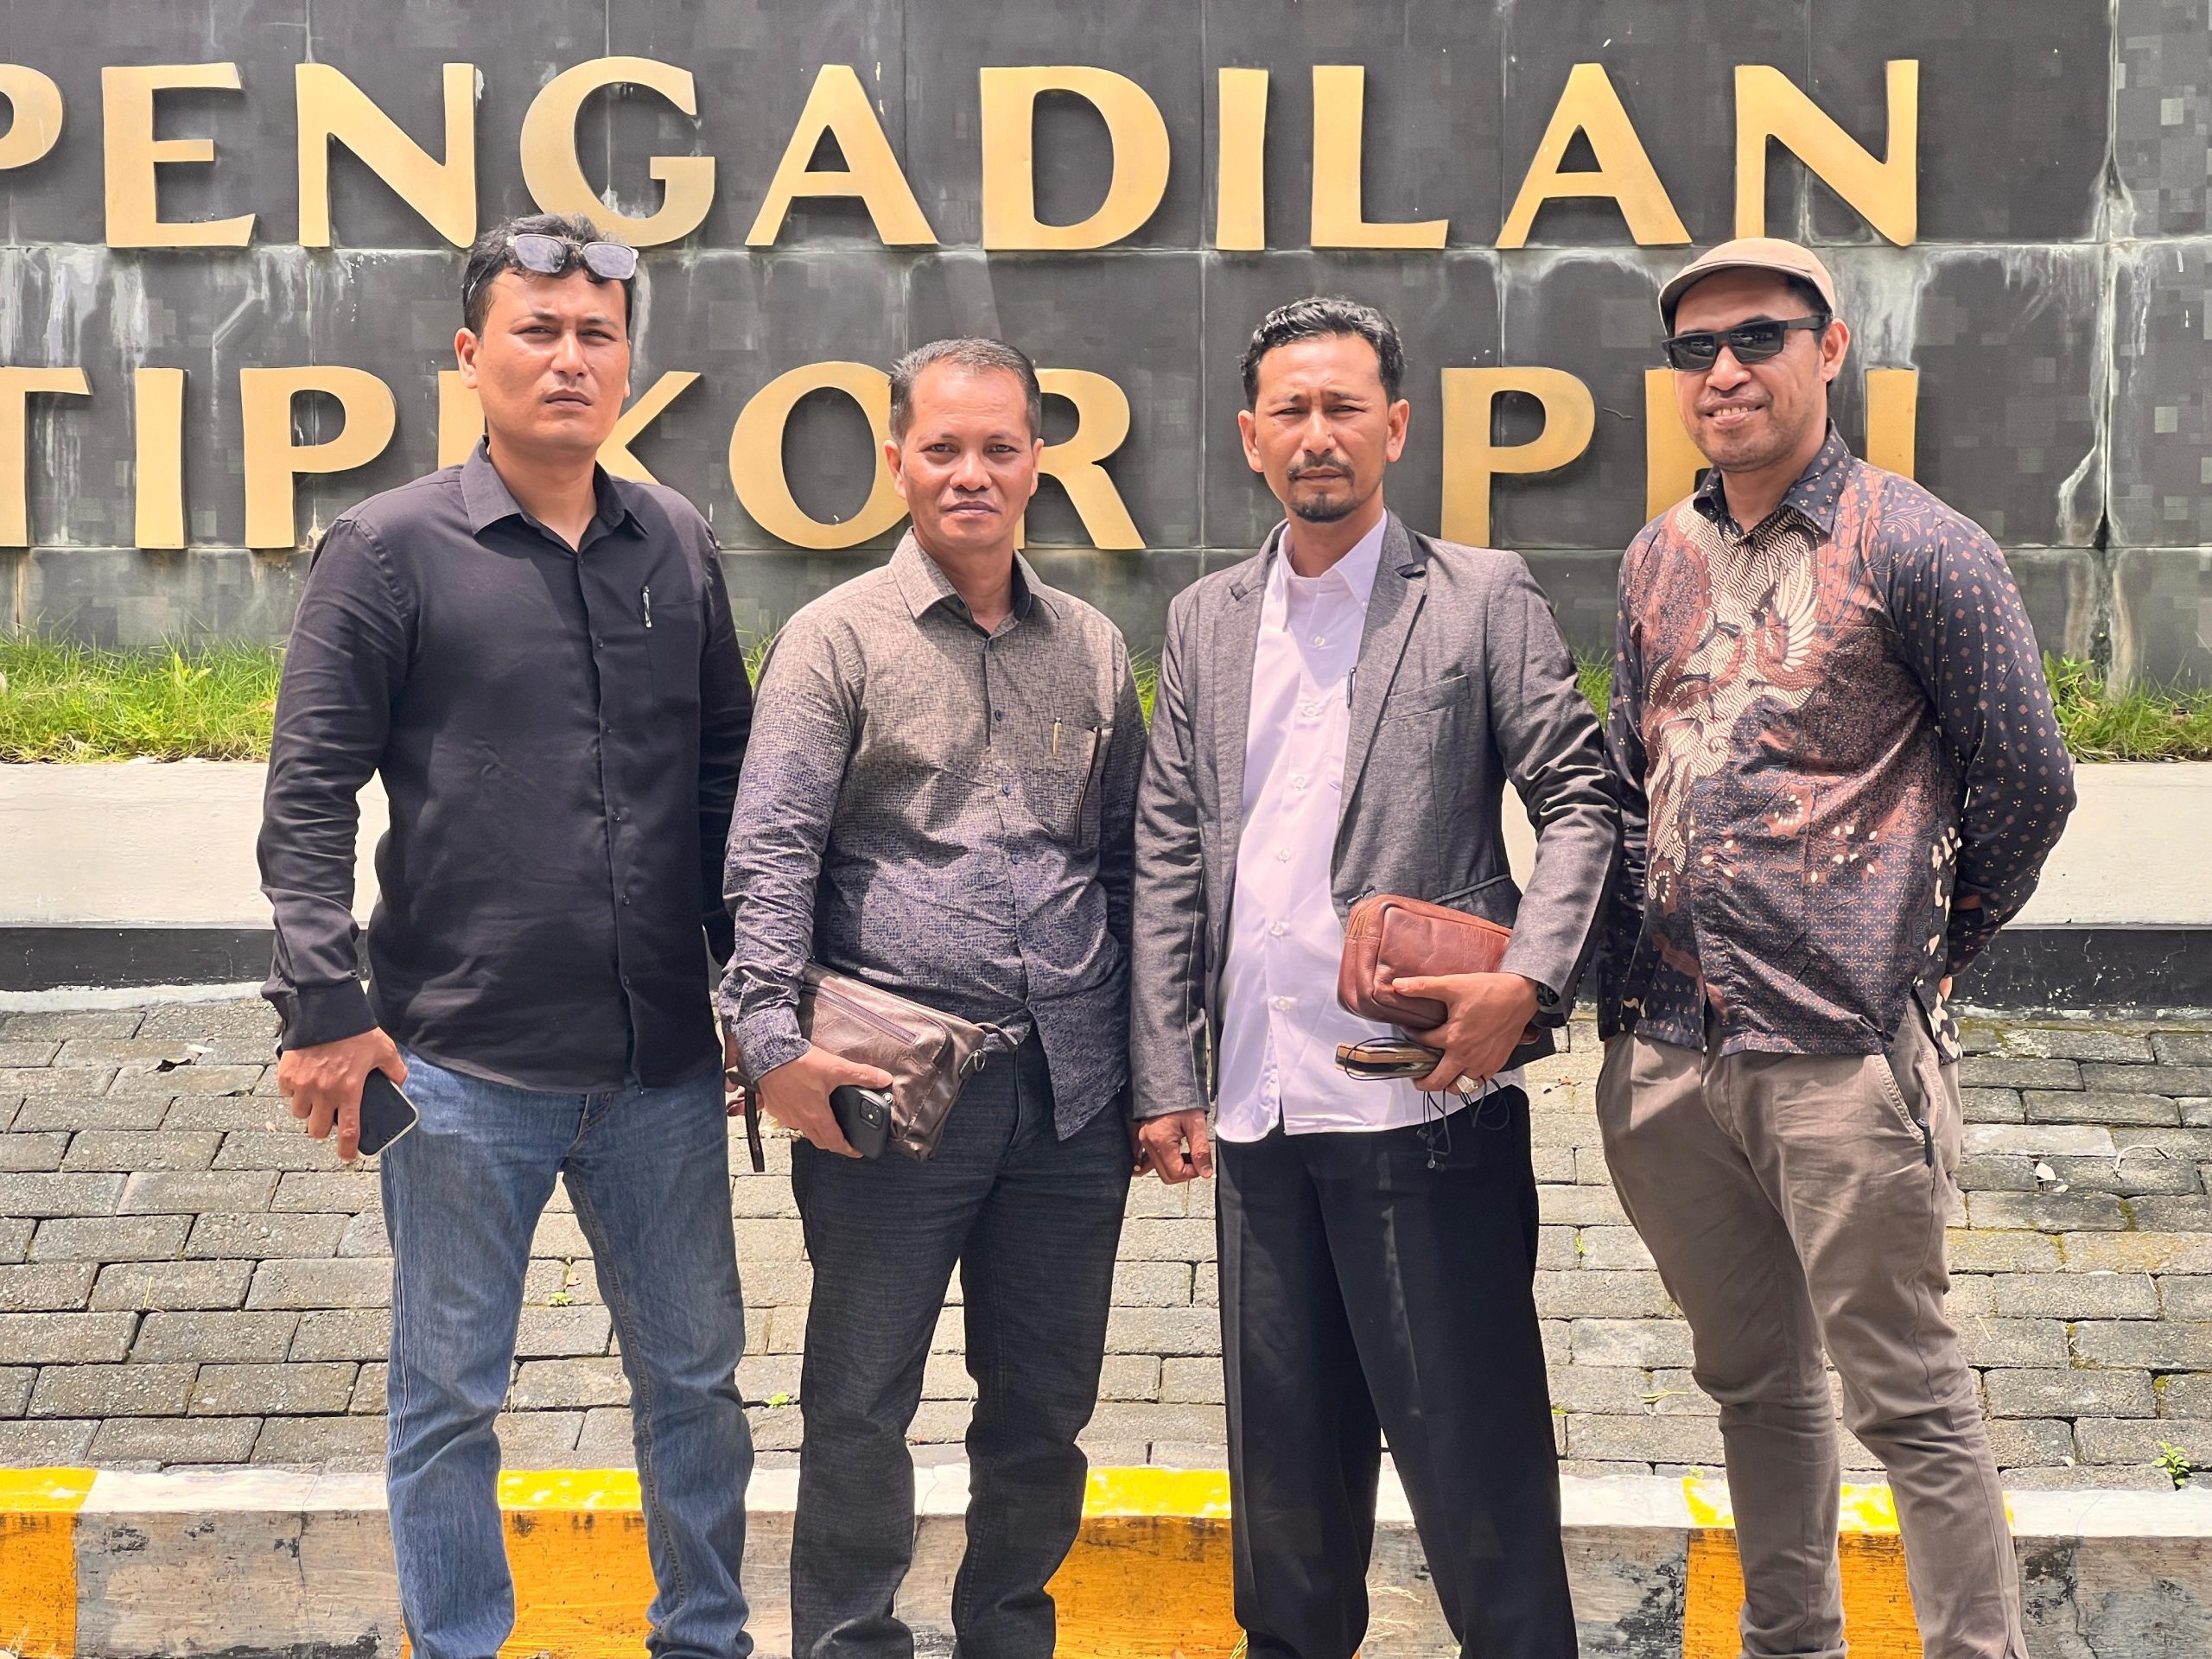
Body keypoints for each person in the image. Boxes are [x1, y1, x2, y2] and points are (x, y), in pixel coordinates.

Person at [257, 212, 755, 1659]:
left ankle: (705, 1637)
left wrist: (758, 992)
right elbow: (308, 797)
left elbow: (724, 780)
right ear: (474, 355)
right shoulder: (387, 550)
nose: (570, 359)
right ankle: (462, 1643)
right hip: (459, 1065)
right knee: (449, 1397)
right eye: (539, 332)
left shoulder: (676, 539)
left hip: (661, 1069)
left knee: (696, 1386)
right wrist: (323, 1009)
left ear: (629, 363)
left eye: (598, 334)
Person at [1599, 237, 2077, 1659]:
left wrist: (1926, 951)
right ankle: (1790, 1641)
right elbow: (1631, 779)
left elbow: (2029, 781)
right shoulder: (1655, 559)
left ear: (1830, 348)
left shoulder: (1919, 545)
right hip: (1672, 1052)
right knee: (1754, 1386)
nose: (1725, 371)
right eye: (1697, 349)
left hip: (1838, 1055)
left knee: (1908, 1398)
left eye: (1758, 337)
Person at [1129, 296, 1618, 1659]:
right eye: (1290, 410)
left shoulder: (1479, 597)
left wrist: (1531, 981)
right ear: (1250, 437)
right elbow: (1167, 851)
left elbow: (1584, 800)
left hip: (1423, 1108)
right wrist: (1165, 1074)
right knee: (1285, 1522)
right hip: (1259, 1114)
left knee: (1480, 1500)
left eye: (1345, 408)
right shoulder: (1206, 620)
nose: (1318, 435)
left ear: (1395, 428)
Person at [721, 337, 1145, 1659]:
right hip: (892, 1091)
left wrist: (1160, 1075)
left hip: (1069, 1099)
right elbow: (771, 856)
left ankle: (1008, 1636)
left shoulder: (1092, 646)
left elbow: (1129, 868)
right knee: (859, 1404)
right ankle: (850, 1643)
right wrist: (770, 1047)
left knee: (1042, 1414)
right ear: (897, 458)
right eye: (944, 448)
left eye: (1000, 448)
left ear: (1038, 462)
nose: (973, 473)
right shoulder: (835, 640)